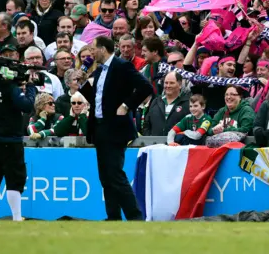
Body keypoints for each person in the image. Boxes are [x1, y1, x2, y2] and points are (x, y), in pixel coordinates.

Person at [78, 35, 153, 221]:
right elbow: (97, 100)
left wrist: (127, 105)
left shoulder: (121, 66)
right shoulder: (99, 72)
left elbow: (146, 87)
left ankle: (135, 217)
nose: (91, 53)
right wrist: (81, 83)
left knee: (115, 174)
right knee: (105, 176)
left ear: (103, 48)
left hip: (116, 128)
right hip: (100, 128)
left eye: (93, 49)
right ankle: (113, 216)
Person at [0, 58, 37, 221]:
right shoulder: (10, 88)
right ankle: (17, 217)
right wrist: (31, 87)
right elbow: (26, 106)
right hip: (10, 142)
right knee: (14, 180)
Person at [143, 71, 190, 137]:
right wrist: (148, 138)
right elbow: (146, 124)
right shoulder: (155, 101)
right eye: (166, 83)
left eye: (171, 83)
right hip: (155, 145)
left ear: (179, 85)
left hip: (177, 145)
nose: (168, 86)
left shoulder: (187, 103)